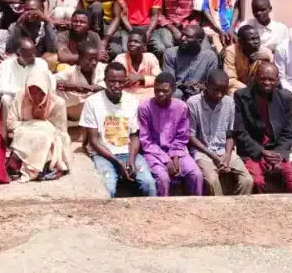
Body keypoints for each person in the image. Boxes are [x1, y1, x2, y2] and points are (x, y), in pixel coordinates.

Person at [81, 62, 156, 197]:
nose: (116, 86)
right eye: (112, 81)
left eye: (120, 82)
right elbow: (93, 141)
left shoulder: (132, 101)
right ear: (105, 81)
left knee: (149, 183)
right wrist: (116, 162)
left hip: (127, 153)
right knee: (108, 186)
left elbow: (134, 136)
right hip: (103, 155)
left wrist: (132, 160)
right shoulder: (92, 102)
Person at [232, 62, 292, 193]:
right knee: (257, 182)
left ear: (277, 80)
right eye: (263, 78)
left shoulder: (284, 97)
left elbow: (288, 132)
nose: (267, 82)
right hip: (253, 152)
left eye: (271, 79)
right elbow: (240, 132)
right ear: (255, 77)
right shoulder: (242, 96)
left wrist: (278, 155)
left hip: (276, 151)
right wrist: (262, 152)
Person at [187, 70, 253, 196]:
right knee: (212, 181)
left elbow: (230, 133)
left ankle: (238, 210)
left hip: (224, 150)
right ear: (206, 85)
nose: (219, 94)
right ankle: (219, 211)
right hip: (203, 152)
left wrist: (227, 156)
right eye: (215, 90)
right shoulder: (193, 103)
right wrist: (214, 156)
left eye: (223, 91)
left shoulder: (229, 102)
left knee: (247, 180)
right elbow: (191, 136)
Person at [138, 72, 204, 196]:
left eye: (165, 91)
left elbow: (182, 137)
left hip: (177, 152)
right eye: (157, 90)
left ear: (173, 90)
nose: (160, 94)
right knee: (163, 178)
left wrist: (175, 156)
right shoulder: (145, 107)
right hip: (154, 153)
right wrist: (166, 160)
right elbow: (146, 141)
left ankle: (196, 209)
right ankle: (163, 212)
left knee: (196, 175)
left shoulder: (181, 107)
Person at [6, 69, 69, 181]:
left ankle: (38, 167)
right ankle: (21, 166)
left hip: (49, 140)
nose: (35, 95)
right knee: (27, 132)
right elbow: (10, 124)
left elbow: (61, 131)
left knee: (44, 134)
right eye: (31, 90)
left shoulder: (58, 103)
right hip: (23, 136)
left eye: (40, 90)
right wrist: (34, 123)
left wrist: (41, 121)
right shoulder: (21, 96)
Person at [163, 23, 218, 100]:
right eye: (182, 34)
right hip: (178, 90)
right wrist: (183, 85)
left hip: (200, 92)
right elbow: (168, 81)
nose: (182, 38)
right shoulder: (170, 53)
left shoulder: (210, 56)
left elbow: (211, 83)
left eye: (188, 37)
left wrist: (201, 87)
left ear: (199, 41)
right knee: (175, 94)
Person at [0, 38, 52, 111]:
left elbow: (50, 82)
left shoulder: (41, 63)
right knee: (6, 98)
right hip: (15, 100)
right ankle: (8, 122)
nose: (33, 57)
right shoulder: (6, 64)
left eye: (34, 53)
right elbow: (1, 88)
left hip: (37, 101)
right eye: (29, 55)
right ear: (18, 54)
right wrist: (25, 93)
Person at [56, 42, 106, 121]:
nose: (94, 63)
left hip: (99, 114)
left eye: (96, 59)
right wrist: (65, 84)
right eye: (90, 59)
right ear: (80, 59)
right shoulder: (71, 71)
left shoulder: (103, 68)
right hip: (75, 115)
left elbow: (105, 86)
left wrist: (80, 87)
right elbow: (51, 80)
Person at [224, 24, 274, 93]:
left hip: (257, 89)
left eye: (257, 38)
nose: (257, 42)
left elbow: (272, 77)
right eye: (252, 39)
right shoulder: (231, 51)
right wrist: (247, 90)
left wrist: (267, 60)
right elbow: (230, 79)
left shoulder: (265, 52)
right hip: (237, 88)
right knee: (233, 92)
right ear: (241, 42)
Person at [112, 29, 160, 100]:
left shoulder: (150, 57)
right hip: (126, 94)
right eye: (130, 41)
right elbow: (112, 79)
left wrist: (140, 77)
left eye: (136, 41)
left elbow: (159, 80)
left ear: (144, 45)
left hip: (147, 95)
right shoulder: (120, 58)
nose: (132, 44)